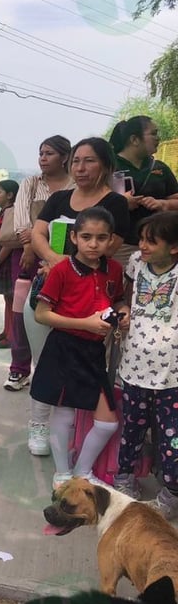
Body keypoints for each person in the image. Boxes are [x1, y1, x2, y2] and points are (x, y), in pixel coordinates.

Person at [30, 207, 130, 490]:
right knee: (64, 414)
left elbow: (118, 299)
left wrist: (124, 311)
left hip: (95, 352)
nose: (93, 244)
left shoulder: (114, 269)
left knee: (108, 421)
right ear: (74, 237)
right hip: (65, 347)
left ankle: (82, 471)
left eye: (101, 237)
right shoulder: (62, 269)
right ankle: (63, 473)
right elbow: (42, 314)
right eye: (86, 236)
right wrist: (84, 323)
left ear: (111, 240)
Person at [113, 211, 178, 518]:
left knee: (171, 437)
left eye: (151, 241)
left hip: (172, 374)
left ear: (174, 246)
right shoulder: (137, 262)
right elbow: (124, 296)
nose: (142, 246)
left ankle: (171, 493)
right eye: (141, 239)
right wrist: (123, 308)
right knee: (132, 429)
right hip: (135, 365)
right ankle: (124, 479)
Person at [14, 135, 75, 455]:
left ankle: (67, 427)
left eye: (49, 153)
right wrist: (47, 256)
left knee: (76, 362)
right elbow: (28, 228)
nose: (42, 158)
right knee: (43, 358)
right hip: (43, 279)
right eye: (40, 153)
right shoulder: (38, 189)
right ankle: (38, 422)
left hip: (82, 290)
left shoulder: (102, 202)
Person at [109, 116, 178, 266]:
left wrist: (163, 204)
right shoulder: (108, 165)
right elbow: (90, 199)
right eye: (153, 134)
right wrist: (120, 202)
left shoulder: (160, 167)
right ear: (134, 139)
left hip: (159, 246)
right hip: (120, 245)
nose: (158, 138)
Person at [0, 179, 19, 353]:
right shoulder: (4, 211)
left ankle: (12, 336)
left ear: (9, 195)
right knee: (8, 299)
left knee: (12, 298)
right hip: (2, 257)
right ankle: (6, 331)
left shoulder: (12, 212)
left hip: (7, 259)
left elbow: (8, 240)